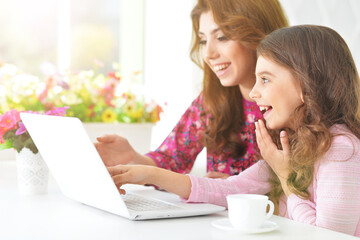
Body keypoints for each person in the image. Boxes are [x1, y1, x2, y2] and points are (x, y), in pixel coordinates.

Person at [106, 25, 360, 237]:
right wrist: (148, 174)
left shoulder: (340, 149)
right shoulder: (290, 142)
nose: (254, 92)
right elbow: (229, 190)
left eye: (266, 79)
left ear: (306, 86)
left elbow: (330, 235)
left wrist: (285, 179)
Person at [95, 0, 289, 179]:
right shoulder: (213, 101)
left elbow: (310, 193)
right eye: (203, 40)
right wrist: (132, 158)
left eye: (221, 37)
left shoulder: (296, 101)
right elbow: (172, 160)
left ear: (259, 35)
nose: (208, 54)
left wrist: (238, 189)